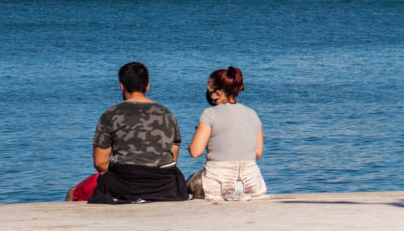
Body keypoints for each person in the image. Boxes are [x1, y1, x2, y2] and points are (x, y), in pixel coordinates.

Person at [66, 62, 189, 203]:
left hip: (123, 185)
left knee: (73, 193)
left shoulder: (110, 115)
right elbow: (172, 159)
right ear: (147, 86)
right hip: (164, 186)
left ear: (121, 86)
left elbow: (100, 163)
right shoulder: (167, 114)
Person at [187, 66, 266, 201]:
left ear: (218, 93)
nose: (207, 92)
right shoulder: (252, 114)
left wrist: (204, 138)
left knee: (190, 181)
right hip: (252, 185)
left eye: (209, 89)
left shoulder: (209, 114)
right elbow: (258, 153)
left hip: (218, 185)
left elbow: (195, 152)